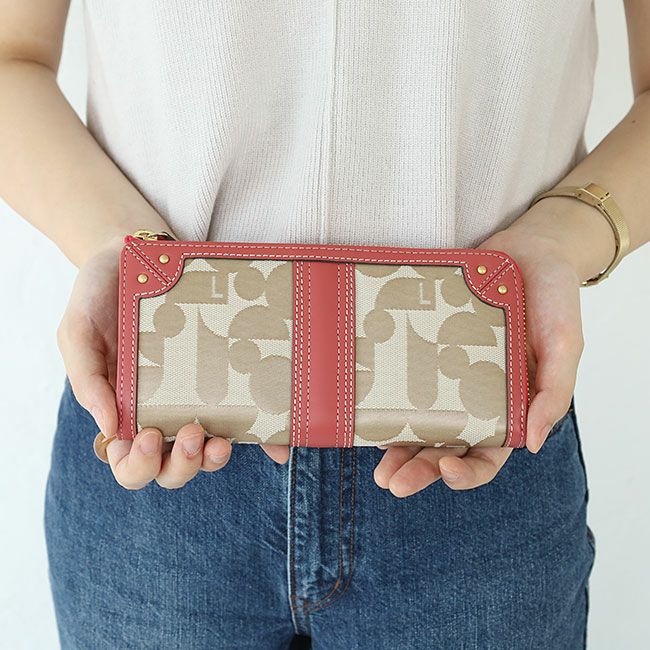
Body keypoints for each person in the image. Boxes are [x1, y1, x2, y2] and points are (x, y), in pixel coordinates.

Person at [1, 1, 648, 648]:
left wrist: (563, 238)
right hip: (154, 428)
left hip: (483, 433)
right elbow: (11, 58)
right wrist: (115, 244)